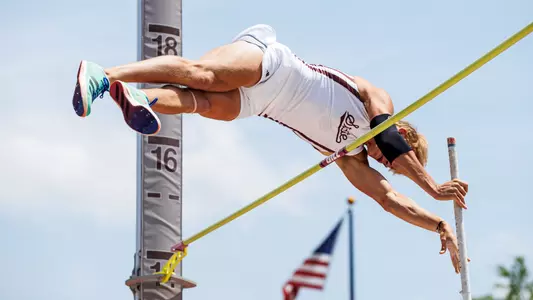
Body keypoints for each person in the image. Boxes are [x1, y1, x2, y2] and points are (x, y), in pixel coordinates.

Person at [72, 24, 469, 273]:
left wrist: (439, 224)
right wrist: (434, 187)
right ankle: (104, 75)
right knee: (204, 76)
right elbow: (385, 134)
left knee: (204, 103)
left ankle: (143, 100)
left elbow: (388, 199)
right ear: (403, 133)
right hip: (273, 65)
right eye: (389, 159)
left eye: (386, 164)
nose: (382, 161)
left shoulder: (351, 157)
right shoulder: (378, 103)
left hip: (262, 106)